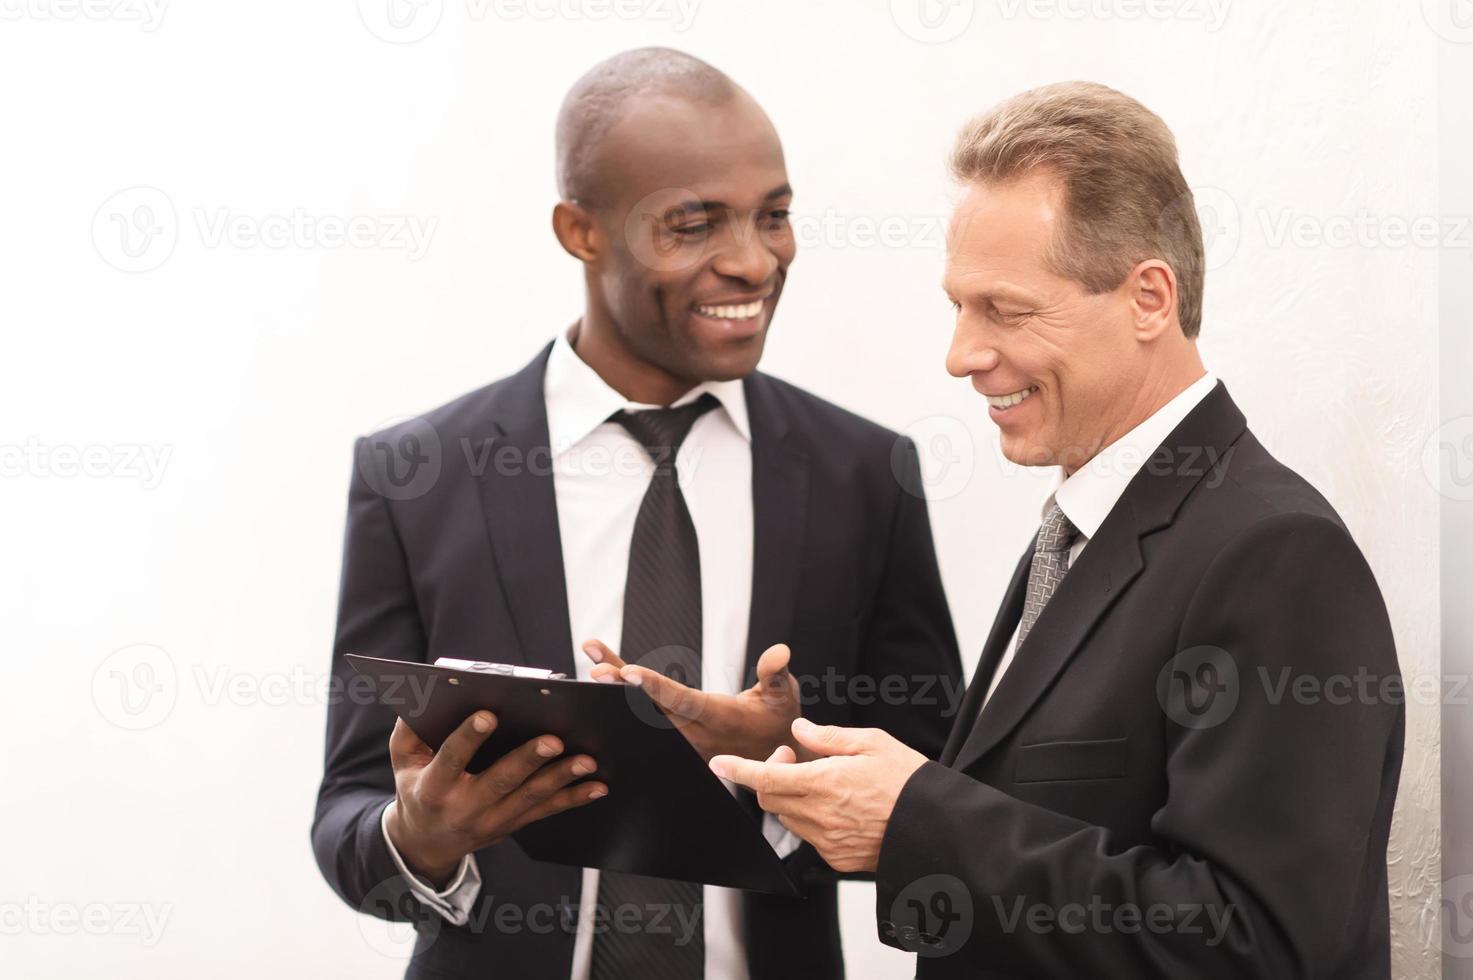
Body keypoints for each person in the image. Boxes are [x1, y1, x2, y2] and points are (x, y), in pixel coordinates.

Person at [714, 81, 1404, 979]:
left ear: (1149, 298)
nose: (960, 354)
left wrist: (916, 817)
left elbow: (1255, 946)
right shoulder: (1083, 529)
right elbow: (1024, 816)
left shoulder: (1276, 556)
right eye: (958, 307)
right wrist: (785, 764)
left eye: (1005, 309)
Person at [311, 47, 962, 980]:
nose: (752, 259)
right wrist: (423, 836)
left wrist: (783, 763)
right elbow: (349, 814)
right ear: (580, 231)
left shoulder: (863, 474)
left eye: (773, 215)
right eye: (694, 224)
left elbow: (941, 802)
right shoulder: (415, 476)